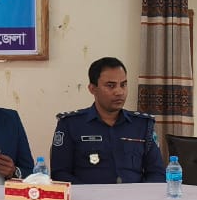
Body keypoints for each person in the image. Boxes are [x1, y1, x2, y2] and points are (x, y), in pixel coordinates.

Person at [50, 56, 164, 184]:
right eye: (110, 86)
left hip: (135, 195)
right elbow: (60, 174)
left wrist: (141, 194)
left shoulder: (142, 125)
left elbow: (157, 173)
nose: (119, 92)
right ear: (92, 89)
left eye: (123, 85)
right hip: (88, 196)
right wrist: (90, 194)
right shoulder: (70, 124)